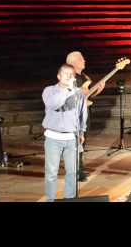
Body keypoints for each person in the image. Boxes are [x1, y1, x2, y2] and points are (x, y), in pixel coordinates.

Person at [42, 63, 88, 201]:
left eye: (71, 74)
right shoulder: (49, 91)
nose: (69, 76)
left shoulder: (78, 93)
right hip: (53, 138)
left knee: (72, 173)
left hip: (71, 138)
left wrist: (82, 132)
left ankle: (69, 199)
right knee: (51, 173)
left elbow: (82, 113)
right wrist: (67, 90)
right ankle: (50, 199)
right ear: (59, 76)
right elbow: (53, 104)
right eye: (66, 74)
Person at [66, 51, 105, 181]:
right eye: (81, 59)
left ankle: (80, 169)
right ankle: (75, 172)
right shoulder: (68, 76)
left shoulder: (84, 76)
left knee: (82, 142)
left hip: (84, 113)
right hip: (73, 115)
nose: (84, 61)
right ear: (74, 62)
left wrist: (98, 90)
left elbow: (87, 95)